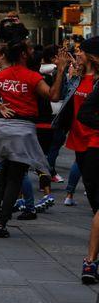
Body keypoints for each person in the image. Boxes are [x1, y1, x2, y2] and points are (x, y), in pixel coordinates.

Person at [0, 22, 66, 238]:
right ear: (24, 55)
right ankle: (2, 222)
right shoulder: (32, 77)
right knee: (15, 178)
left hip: (4, 129)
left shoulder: (3, 75)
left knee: (5, 170)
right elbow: (53, 95)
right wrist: (61, 70)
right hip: (23, 130)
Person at [49, 37, 99, 282]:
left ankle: (90, 261)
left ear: (91, 56)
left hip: (96, 142)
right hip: (79, 142)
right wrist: (60, 71)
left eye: (80, 52)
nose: (76, 55)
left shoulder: (98, 81)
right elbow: (55, 97)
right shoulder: (75, 78)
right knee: (95, 203)